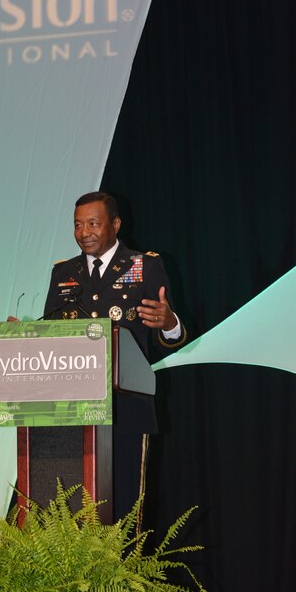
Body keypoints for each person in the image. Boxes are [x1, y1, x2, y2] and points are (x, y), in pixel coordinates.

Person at [43, 191, 186, 524]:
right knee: (72, 515)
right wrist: (24, 336)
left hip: (126, 411)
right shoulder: (63, 272)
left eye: (93, 223)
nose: (84, 232)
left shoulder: (143, 266)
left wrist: (170, 323)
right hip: (72, 415)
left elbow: (172, 338)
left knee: (122, 516)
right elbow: (51, 336)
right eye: (77, 225)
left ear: (115, 224)